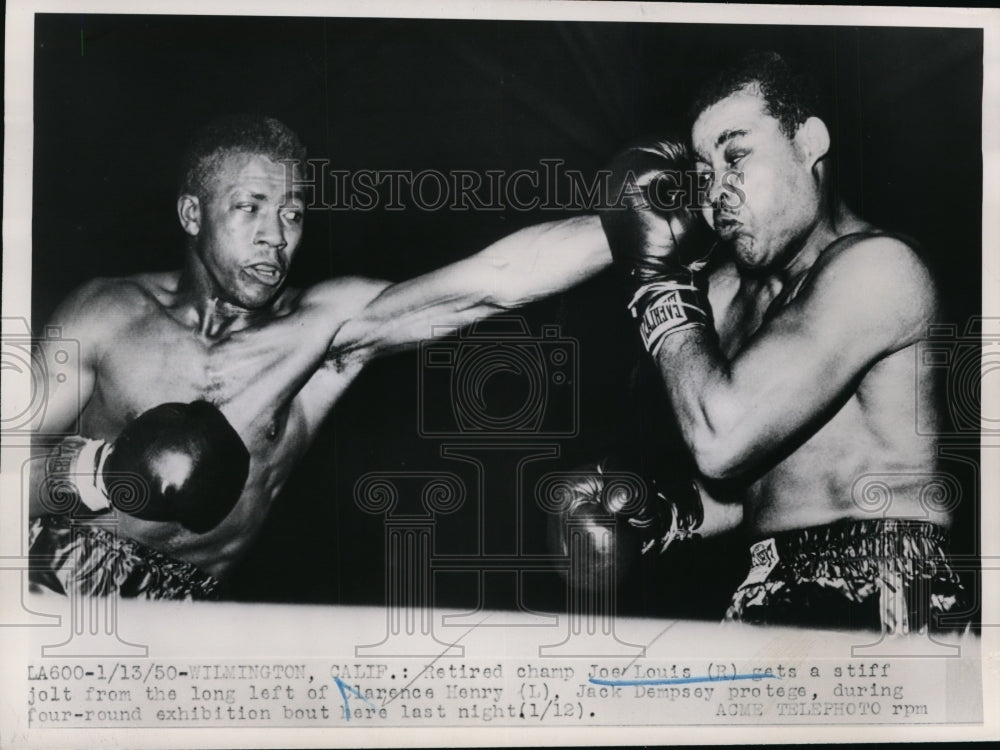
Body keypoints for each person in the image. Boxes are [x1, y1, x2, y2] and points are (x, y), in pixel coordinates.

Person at [28, 113, 613, 600]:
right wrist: (98, 473)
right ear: (192, 214)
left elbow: (494, 281)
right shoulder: (106, 311)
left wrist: (632, 225)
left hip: (186, 609)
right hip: (50, 568)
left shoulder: (323, 331)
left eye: (292, 214)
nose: (275, 236)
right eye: (249, 207)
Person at [560, 51, 969, 632]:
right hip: (763, 586)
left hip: (890, 587)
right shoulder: (731, 298)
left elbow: (722, 438)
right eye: (704, 176)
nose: (718, 191)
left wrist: (656, 280)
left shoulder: (879, 270)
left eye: (736, 156)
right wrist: (667, 512)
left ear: (809, 144)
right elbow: (760, 489)